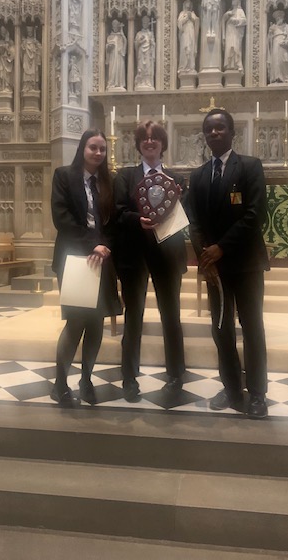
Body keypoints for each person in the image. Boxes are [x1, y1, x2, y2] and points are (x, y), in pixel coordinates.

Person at [187, 108, 269, 419]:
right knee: (221, 329)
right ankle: (232, 387)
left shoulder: (250, 167)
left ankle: (258, 393)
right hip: (215, 268)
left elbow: (255, 215)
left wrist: (222, 247)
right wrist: (205, 255)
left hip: (245, 263)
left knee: (252, 328)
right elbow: (193, 220)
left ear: (232, 132)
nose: (214, 133)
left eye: (220, 128)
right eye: (209, 129)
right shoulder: (198, 175)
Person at [114, 121, 187, 402]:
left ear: (163, 143)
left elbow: (185, 216)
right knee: (134, 318)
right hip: (134, 255)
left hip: (168, 257)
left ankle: (175, 375)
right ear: (138, 144)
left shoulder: (176, 180)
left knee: (172, 318)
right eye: (144, 138)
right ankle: (129, 378)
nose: (149, 141)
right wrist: (138, 220)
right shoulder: (125, 176)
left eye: (155, 137)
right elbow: (118, 212)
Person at [50, 129, 121, 406]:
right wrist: (92, 244)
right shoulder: (64, 176)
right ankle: (60, 383)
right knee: (76, 323)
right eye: (93, 147)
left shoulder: (108, 182)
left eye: (102, 149)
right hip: (75, 259)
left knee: (96, 325)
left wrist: (105, 247)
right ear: (83, 148)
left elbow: (112, 222)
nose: (98, 153)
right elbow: (62, 218)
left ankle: (86, 379)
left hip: (101, 260)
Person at [222, 0, 246, 72]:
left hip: (236, 32)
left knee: (236, 47)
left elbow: (244, 21)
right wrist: (226, 15)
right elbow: (223, 21)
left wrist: (235, 20)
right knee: (229, 47)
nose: (233, 0)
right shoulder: (229, 11)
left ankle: (236, 64)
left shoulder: (240, 11)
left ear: (238, 2)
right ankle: (229, 65)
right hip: (229, 31)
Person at [267, 9, 288, 84]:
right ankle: (276, 77)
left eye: (280, 17)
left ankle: (285, 77)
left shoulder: (287, 26)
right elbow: (268, 40)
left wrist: (286, 41)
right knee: (276, 61)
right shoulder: (273, 27)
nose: (279, 19)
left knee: (284, 60)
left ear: (283, 18)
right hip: (275, 46)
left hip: (284, 46)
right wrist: (270, 33)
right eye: (277, 18)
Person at [177, 0, 199, 73]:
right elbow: (179, 23)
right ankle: (183, 66)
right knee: (185, 47)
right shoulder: (182, 13)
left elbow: (197, 23)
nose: (188, 5)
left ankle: (190, 66)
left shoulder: (192, 13)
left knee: (190, 48)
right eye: (187, 3)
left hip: (191, 33)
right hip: (184, 33)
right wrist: (186, 18)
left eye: (190, 3)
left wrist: (192, 18)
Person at [134, 15, 155, 89]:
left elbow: (153, 45)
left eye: (146, 22)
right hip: (141, 54)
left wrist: (152, 42)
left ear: (149, 23)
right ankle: (141, 82)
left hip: (148, 54)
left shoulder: (150, 34)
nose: (145, 24)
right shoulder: (139, 34)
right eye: (144, 22)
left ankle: (148, 82)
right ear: (142, 23)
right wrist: (140, 41)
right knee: (141, 67)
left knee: (148, 67)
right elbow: (136, 44)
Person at [106, 19, 127, 90]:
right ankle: (111, 83)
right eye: (114, 26)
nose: (115, 27)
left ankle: (119, 83)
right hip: (112, 56)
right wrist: (109, 46)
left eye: (116, 26)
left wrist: (123, 35)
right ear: (112, 27)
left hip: (119, 56)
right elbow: (107, 48)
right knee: (112, 70)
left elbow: (125, 44)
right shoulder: (110, 36)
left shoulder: (121, 36)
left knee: (119, 68)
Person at [0, 26, 14, 91]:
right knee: (0, 72)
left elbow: (13, 53)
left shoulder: (11, 42)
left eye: (4, 32)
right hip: (1, 60)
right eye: (1, 32)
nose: (3, 34)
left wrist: (7, 49)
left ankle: (7, 86)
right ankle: (0, 85)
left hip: (7, 61)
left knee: (6, 74)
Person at [21, 26, 42, 91]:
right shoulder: (25, 41)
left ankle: (33, 86)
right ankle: (26, 86)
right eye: (28, 32)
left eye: (31, 32)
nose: (30, 33)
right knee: (26, 73)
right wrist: (23, 46)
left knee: (34, 73)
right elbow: (21, 50)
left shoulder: (35, 41)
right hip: (26, 59)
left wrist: (37, 45)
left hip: (33, 60)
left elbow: (41, 50)